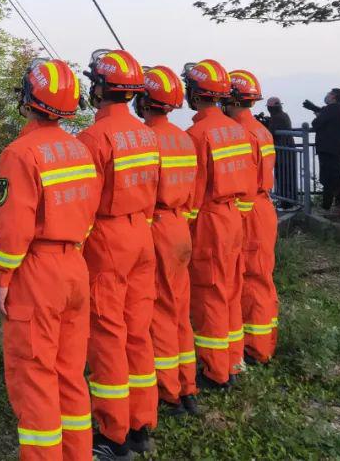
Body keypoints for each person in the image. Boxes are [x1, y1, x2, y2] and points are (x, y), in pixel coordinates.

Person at [0, 58, 99, 461]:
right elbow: (88, 215)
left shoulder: (19, 153)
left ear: (28, 98)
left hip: (38, 272)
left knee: (35, 376)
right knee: (70, 373)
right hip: (75, 266)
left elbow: (14, 229)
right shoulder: (80, 149)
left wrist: (2, 279)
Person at [77, 50, 159, 459]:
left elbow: (84, 206)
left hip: (108, 240)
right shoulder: (147, 133)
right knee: (138, 330)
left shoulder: (93, 139)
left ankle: (113, 435)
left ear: (102, 87)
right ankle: (142, 423)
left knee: (108, 335)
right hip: (142, 235)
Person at [183, 59, 255, 391]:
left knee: (210, 293)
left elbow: (193, 194)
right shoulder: (239, 131)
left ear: (195, 95)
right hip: (234, 219)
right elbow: (248, 183)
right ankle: (233, 360)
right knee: (230, 290)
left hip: (210, 220)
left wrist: (184, 230)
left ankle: (215, 371)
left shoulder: (196, 135)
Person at [134, 65, 200, 418]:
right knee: (179, 310)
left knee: (158, 310)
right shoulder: (185, 138)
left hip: (156, 224)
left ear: (144, 99)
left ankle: (167, 391)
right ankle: (187, 385)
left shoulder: (146, 139)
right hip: (180, 226)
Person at [227, 71, 279, 365]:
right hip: (263, 207)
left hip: (248, 210)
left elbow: (242, 182)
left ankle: (257, 349)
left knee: (250, 278)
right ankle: (263, 341)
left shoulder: (241, 134)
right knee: (262, 276)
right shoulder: (261, 129)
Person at [303, 89, 340, 210]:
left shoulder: (331, 109)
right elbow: (325, 113)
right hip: (337, 148)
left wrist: (317, 114)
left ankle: (326, 206)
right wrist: (315, 109)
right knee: (337, 177)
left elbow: (316, 123)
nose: (327, 96)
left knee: (327, 178)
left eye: (329, 94)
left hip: (327, 149)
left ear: (333, 97)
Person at [263, 97, 297, 203]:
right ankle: (290, 200)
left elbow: (270, 133)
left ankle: (286, 202)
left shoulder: (276, 118)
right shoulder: (284, 115)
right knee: (289, 176)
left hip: (282, 152)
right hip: (289, 149)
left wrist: (264, 124)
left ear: (270, 108)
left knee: (283, 177)